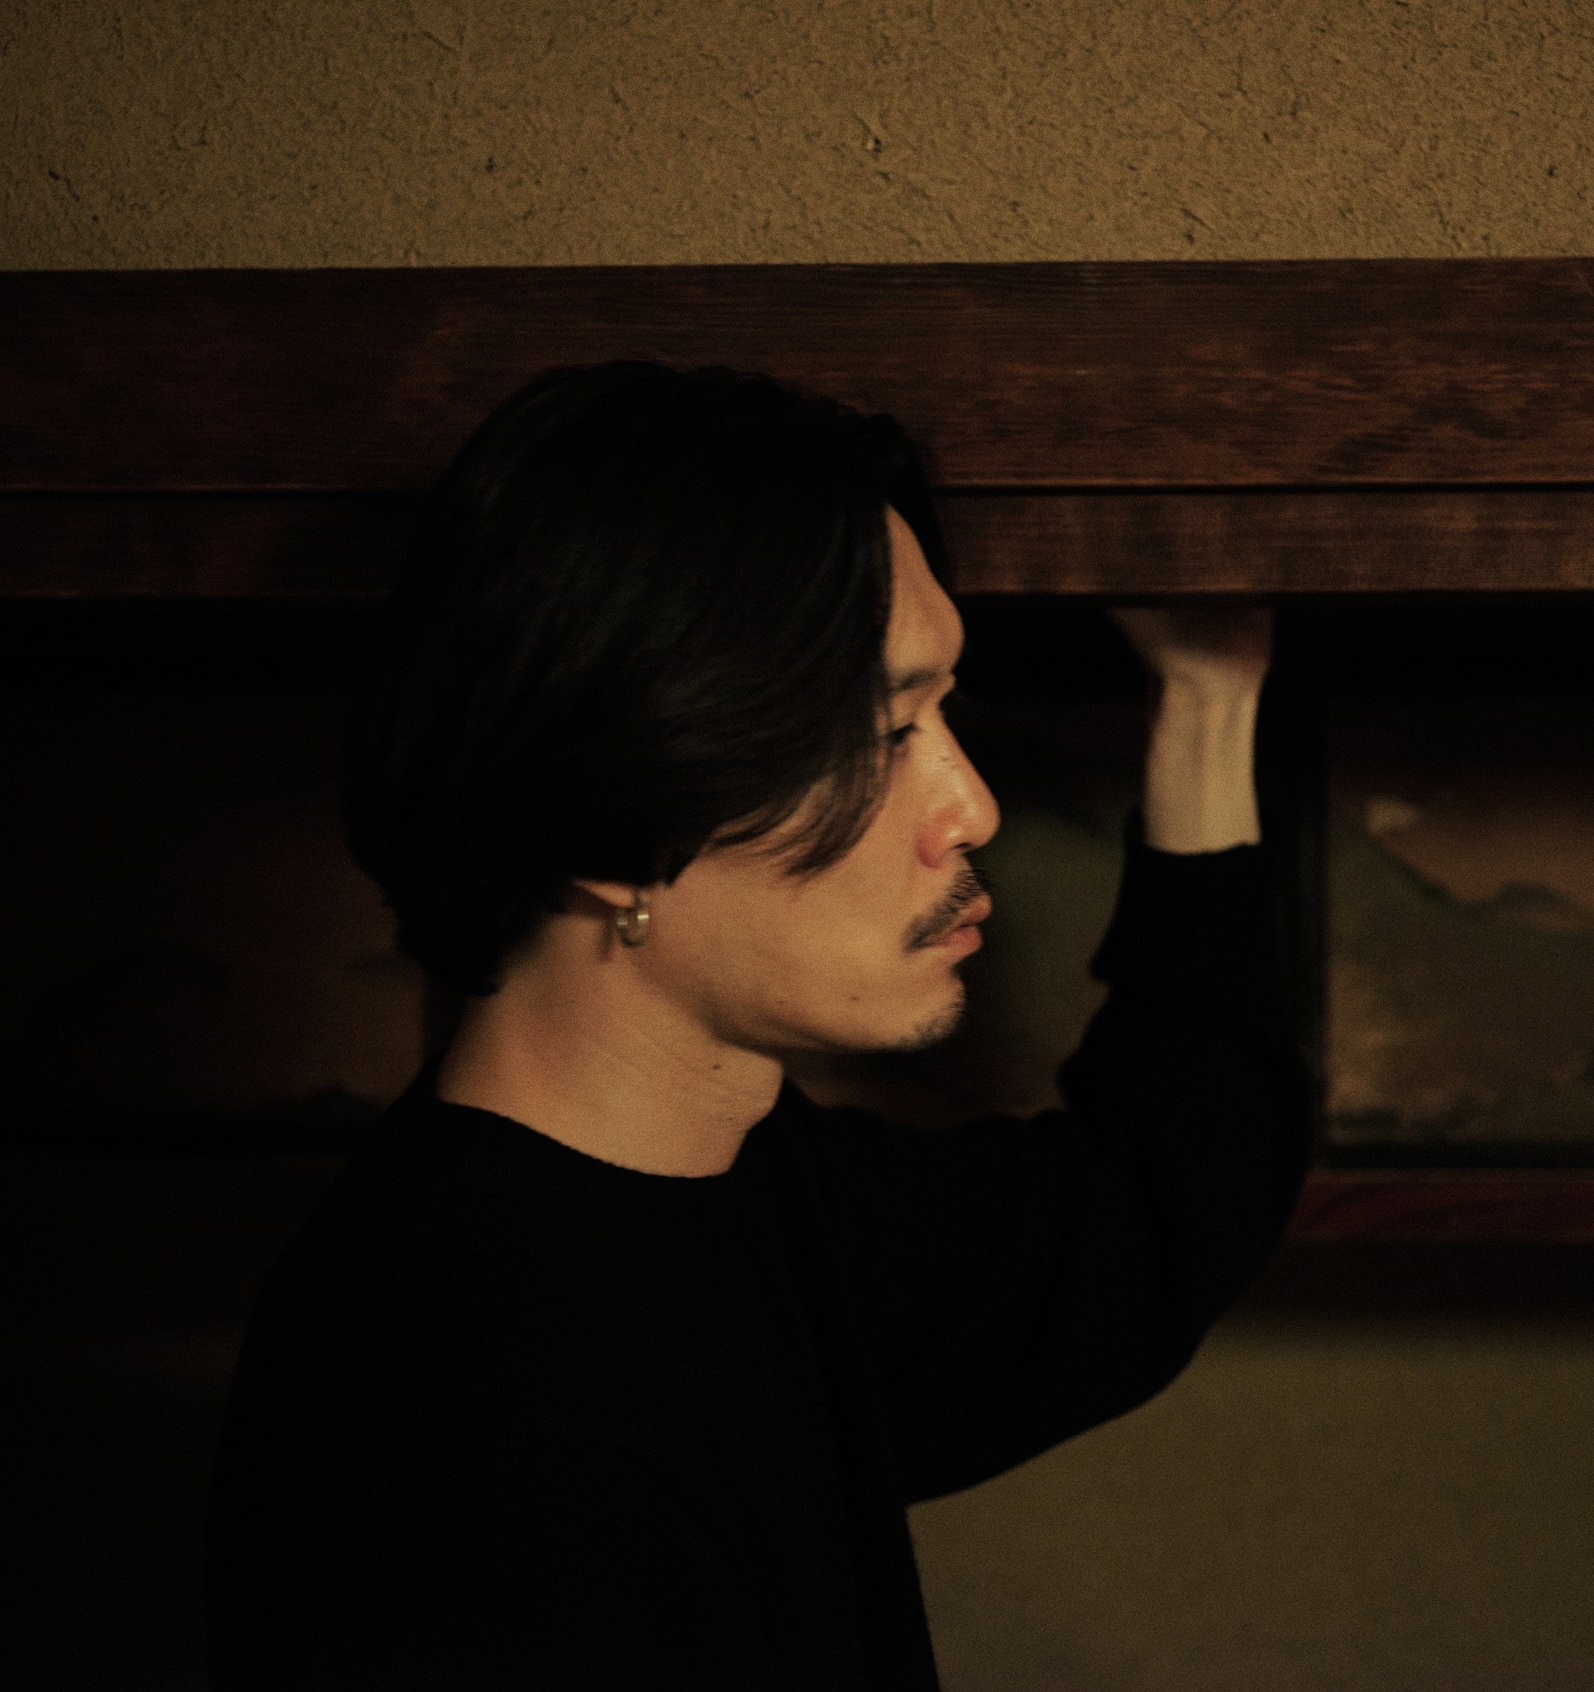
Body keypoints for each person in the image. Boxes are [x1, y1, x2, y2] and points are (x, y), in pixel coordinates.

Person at [205, 361, 1309, 1689]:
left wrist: (1207, 694)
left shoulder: (745, 1183)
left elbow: (1161, 1197)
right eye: (886, 732)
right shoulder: (466, 1393)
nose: (971, 805)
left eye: (943, 711)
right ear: (613, 827)